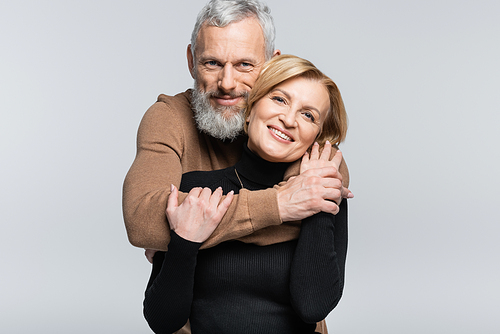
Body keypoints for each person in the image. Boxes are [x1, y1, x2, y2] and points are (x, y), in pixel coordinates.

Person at [143, 54, 349, 334]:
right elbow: (162, 321)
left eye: (308, 115)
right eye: (279, 99)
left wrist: (316, 201)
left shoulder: (323, 193)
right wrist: (184, 244)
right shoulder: (195, 191)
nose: (289, 119)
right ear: (250, 110)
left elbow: (312, 306)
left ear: (316, 137)